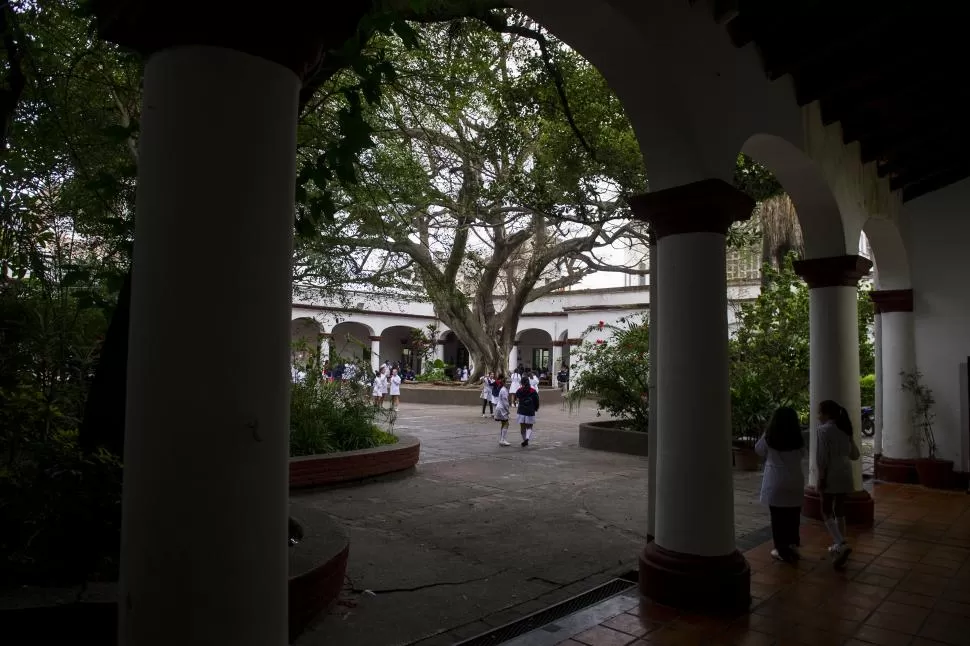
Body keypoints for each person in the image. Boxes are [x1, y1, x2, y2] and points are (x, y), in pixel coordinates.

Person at [755, 406, 806, 563]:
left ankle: (781, 549)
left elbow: (758, 450)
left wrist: (765, 432)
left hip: (776, 481)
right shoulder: (798, 437)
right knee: (793, 515)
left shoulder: (770, 437)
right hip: (795, 480)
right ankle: (792, 545)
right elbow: (803, 454)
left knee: (778, 517)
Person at [817, 399, 861, 569]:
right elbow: (855, 455)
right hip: (845, 472)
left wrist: (821, 478)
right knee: (840, 509)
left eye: (819, 413)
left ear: (827, 414)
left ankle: (841, 542)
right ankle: (839, 544)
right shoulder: (845, 430)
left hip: (831, 474)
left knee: (826, 510)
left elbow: (822, 458)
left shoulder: (823, 431)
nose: (818, 416)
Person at [515, 378, 540, 447]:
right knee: (529, 426)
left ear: (521, 383)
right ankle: (527, 438)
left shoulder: (519, 390)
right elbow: (537, 401)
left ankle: (524, 440)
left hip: (521, 411)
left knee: (522, 427)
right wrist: (536, 408)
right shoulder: (533, 391)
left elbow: (516, 399)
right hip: (530, 411)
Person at [494, 374, 511, 446]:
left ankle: (502, 439)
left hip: (500, 408)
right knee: (506, 423)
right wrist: (507, 410)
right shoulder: (504, 390)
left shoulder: (502, 389)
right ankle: (502, 439)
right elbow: (505, 402)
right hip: (502, 409)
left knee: (503, 423)